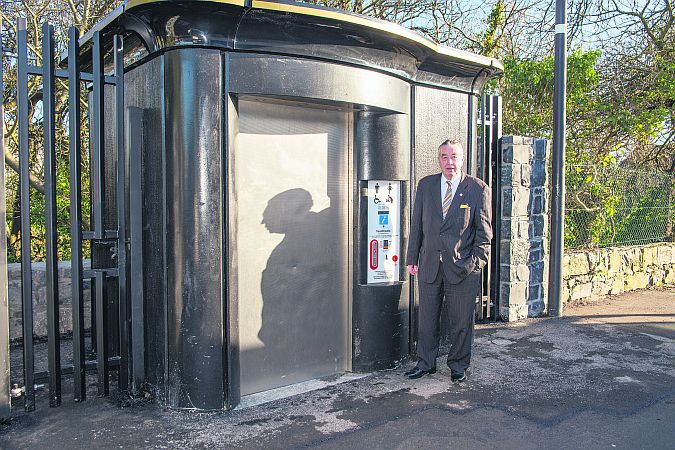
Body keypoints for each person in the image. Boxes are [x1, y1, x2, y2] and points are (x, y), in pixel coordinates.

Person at [405, 139, 492, 382]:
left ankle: (458, 365)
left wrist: (475, 263)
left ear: (462, 160)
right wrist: (412, 257)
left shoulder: (477, 189)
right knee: (427, 320)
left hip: (463, 268)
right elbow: (417, 226)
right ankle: (425, 363)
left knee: (461, 322)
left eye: (454, 157)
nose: (449, 162)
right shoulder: (426, 186)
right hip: (430, 265)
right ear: (439, 159)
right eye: (444, 156)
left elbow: (484, 234)